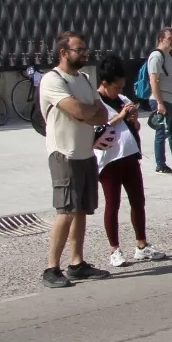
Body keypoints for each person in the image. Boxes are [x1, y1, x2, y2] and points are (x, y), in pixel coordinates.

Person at [37, 31, 116, 287]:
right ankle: (51, 268)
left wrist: (87, 113)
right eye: (79, 50)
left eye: (85, 50)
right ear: (63, 52)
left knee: (81, 209)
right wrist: (87, 112)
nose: (84, 54)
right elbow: (77, 110)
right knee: (66, 210)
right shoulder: (52, 80)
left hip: (85, 152)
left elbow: (101, 114)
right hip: (64, 153)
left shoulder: (83, 78)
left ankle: (76, 263)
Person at [94, 56, 166, 267]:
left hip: (130, 156)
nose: (120, 90)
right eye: (116, 87)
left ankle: (141, 245)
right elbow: (97, 128)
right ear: (105, 83)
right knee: (113, 204)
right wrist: (119, 116)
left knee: (138, 200)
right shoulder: (96, 103)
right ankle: (114, 249)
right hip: (109, 160)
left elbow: (134, 128)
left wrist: (133, 120)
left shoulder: (123, 99)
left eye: (122, 86)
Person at [147, 27, 172, 175]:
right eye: (169, 39)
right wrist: (159, 103)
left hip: (170, 99)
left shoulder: (168, 56)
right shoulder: (156, 56)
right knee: (161, 132)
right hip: (161, 100)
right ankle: (160, 164)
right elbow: (153, 80)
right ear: (161, 39)